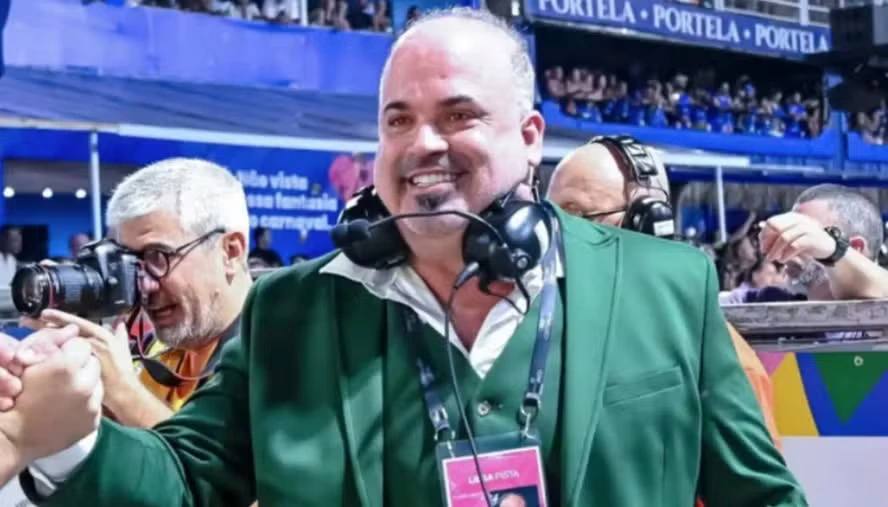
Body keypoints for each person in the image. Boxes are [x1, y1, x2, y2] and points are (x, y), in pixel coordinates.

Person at [1, 8, 805, 506]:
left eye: (458, 115)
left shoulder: (667, 288)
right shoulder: (291, 310)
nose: (423, 143)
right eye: (397, 120)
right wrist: (69, 439)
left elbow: (762, 499)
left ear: (529, 137)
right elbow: (185, 482)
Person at [546, 137, 783, 453]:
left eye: (577, 217)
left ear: (645, 225)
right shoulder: (537, 333)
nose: (555, 236)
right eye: (549, 217)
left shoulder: (717, 358)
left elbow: (754, 479)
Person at [725, 183, 888, 304]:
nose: (789, 245)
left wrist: (834, 251)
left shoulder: (874, 323)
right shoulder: (766, 301)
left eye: (804, 234)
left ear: (855, 249)